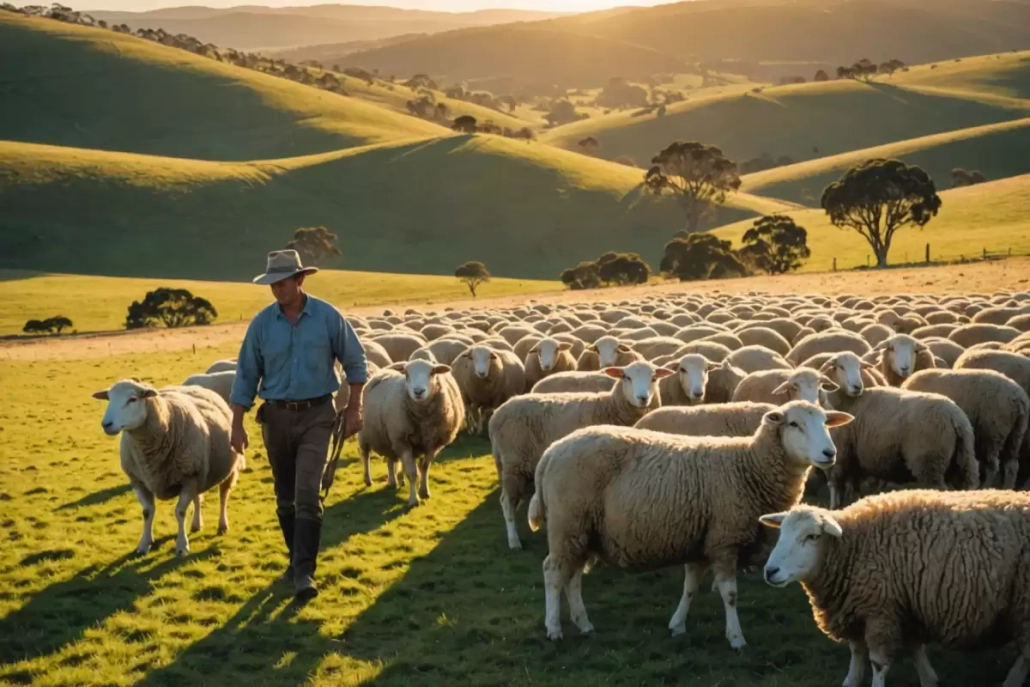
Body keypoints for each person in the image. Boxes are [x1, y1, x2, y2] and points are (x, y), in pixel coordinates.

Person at [229, 249, 368, 601]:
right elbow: (246, 373)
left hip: (317, 415)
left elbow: (355, 360)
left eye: (283, 282)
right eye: (272, 284)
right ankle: (295, 560)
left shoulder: (327, 316)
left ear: (300, 279)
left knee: (308, 492)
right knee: (285, 496)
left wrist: (354, 408)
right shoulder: (262, 324)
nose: (277, 289)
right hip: (275, 417)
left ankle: (304, 572)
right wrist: (236, 423)